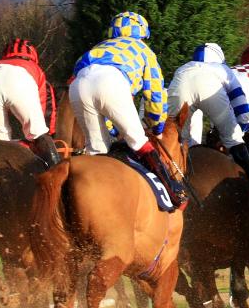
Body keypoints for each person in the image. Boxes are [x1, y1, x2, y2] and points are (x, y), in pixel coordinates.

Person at [69, 11, 186, 207]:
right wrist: (156, 127)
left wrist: (113, 130)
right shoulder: (144, 50)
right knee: (139, 142)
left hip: (78, 85)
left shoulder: (98, 47)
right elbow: (155, 93)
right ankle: (173, 193)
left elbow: (93, 92)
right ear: (142, 34)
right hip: (111, 82)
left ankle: (92, 200)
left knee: (97, 149)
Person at [169, 43, 249, 181]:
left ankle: (165, 184)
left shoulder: (183, 68)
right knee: (234, 140)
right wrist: (241, 129)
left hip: (181, 82)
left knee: (176, 137)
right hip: (210, 86)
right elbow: (242, 107)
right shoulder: (223, 69)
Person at [0, 38, 61, 165]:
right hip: (20, 77)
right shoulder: (34, 67)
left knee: (0, 142)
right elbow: (46, 104)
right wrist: (49, 132)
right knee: (38, 133)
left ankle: (0, 178)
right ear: (33, 55)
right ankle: (56, 174)